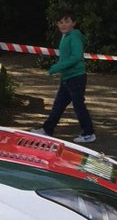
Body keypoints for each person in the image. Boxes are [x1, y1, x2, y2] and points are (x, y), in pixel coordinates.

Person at [33, 11, 96, 144]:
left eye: (67, 22)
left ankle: (89, 133)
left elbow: (76, 57)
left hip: (76, 77)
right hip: (67, 77)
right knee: (58, 105)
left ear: (73, 23)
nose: (63, 25)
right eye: (61, 22)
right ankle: (47, 129)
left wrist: (57, 67)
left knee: (78, 106)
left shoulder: (73, 37)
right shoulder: (66, 36)